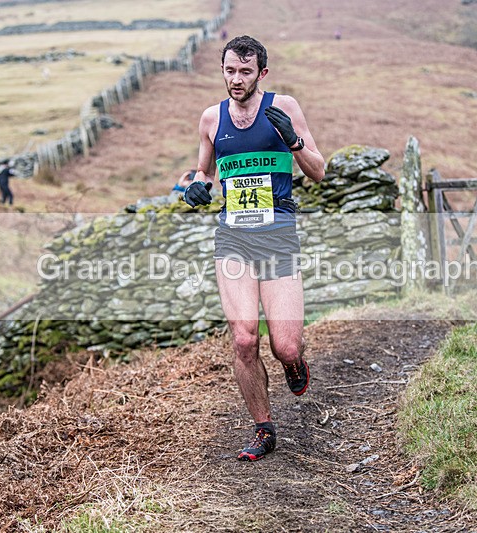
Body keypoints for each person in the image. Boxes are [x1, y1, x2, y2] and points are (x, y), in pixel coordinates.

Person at [184, 35, 325, 461]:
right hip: (234, 237)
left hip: (278, 234)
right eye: (230, 71)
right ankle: (264, 428)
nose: (236, 79)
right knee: (244, 339)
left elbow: (319, 171)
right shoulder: (212, 118)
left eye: (245, 72)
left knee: (285, 345)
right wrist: (196, 187)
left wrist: (294, 142)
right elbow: (203, 172)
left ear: (262, 73)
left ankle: (293, 361)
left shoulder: (285, 107)